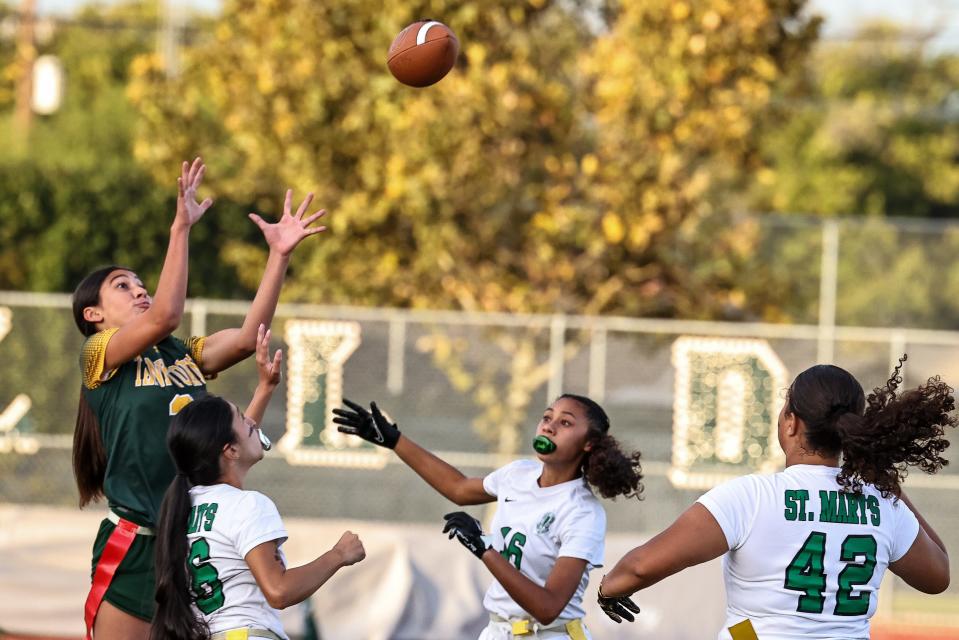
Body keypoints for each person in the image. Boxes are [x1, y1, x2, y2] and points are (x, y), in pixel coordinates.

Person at [72, 157, 328, 639]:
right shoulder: (98, 354)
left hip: (189, 542)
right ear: (94, 314)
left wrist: (279, 256)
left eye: (140, 283)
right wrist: (180, 227)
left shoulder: (181, 354)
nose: (139, 289)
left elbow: (252, 333)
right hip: (135, 543)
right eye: (122, 286)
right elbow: (166, 314)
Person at [597, 358, 954, 640]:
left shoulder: (751, 497)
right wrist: (889, 486)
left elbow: (641, 566)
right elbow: (938, 577)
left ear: (791, 423)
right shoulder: (882, 505)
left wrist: (609, 588)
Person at [333, 394, 644, 640]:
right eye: (547, 417)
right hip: (498, 631)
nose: (548, 426)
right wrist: (395, 441)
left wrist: (484, 549)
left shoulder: (583, 512)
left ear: (589, 443)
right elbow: (457, 488)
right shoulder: (518, 474)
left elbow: (548, 608)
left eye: (565, 423)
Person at [151, 325, 366, 640]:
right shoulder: (248, 504)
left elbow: (242, 442)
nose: (251, 422)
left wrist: (265, 388)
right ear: (230, 450)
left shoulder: (186, 505)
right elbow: (278, 591)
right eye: (241, 418)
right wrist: (338, 555)